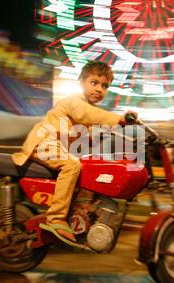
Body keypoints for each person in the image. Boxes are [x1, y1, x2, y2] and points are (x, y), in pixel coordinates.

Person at [11, 61, 137, 244]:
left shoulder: (86, 109)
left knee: (89, 166)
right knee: (72, 165)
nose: (99, 89)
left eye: (105, 86)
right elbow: (88, 115)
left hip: (56, 146)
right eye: (94, 83)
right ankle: (55, 218)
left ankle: (79, 215)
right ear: (81, 82)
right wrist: (119, 119)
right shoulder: (74, 102)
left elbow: (92, 133)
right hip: (43, 141)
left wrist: (124, 141)